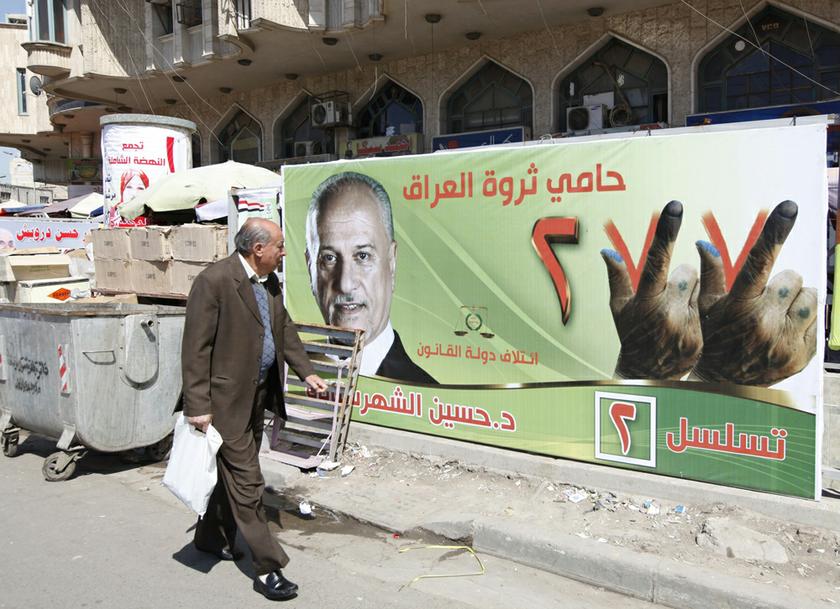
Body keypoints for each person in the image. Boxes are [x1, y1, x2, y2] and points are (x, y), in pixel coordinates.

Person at [181, 217, 327, 601]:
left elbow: (284, 330)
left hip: (258, 397)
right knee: (248, 483)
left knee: (230, 476)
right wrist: (198, 405)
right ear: (257, 249)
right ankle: (267, 567)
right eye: (279, 246)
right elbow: (195, 349)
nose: (284, 252)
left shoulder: (269, 282)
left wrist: (307, 372)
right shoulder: (214, 282)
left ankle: (209, 538)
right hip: (223, 404)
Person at [306, 171, 436, 384]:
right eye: (329, 258)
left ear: (391, 262)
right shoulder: (294, 377)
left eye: (363, 256)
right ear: (309, 266)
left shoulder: (426, 395)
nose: (346, 285)